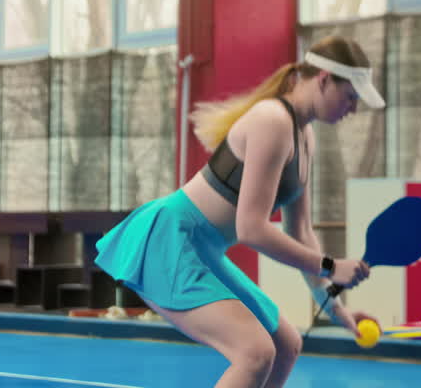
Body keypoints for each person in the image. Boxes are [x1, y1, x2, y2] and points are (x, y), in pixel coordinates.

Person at [95, 35, 385, 388]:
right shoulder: (272, 121)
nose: (352, 109)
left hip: (205, 251)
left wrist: (337, 309)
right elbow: (251, 229)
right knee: (255, 353)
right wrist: (331, 266)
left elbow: (301, 232)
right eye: (350, 97)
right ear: (324, 80)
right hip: (169, 241)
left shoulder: (304, 136)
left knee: (287, 344)